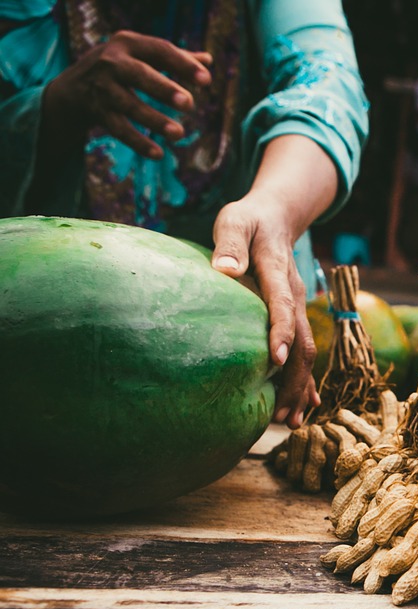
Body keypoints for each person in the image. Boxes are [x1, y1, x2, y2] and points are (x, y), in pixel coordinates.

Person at [0, 0, 369, 427]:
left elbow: (329, 88)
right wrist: (56, 103)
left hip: (250, 356)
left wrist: (276, 208)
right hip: (40, 354)